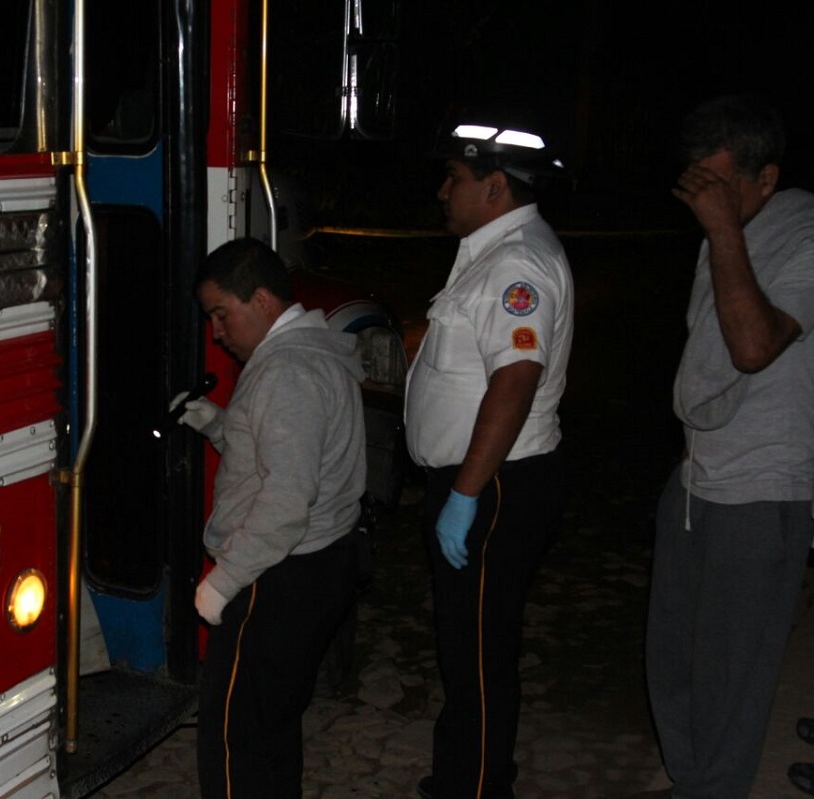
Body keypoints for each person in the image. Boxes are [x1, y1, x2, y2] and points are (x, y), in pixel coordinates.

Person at [639, 94, 814, 799]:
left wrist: (722, 232)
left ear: (764, 179)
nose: (702, 201)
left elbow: (752, 346)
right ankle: (693, 782)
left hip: (763, 489)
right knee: (672, 664)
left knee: (729, 681)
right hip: (696, 479)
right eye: (695, 185)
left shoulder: (800, 235)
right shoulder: (737, 222)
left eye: (718, 186)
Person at [404, 109, 574, 799]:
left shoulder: (517, 264)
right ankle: (462, 774)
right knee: (467, 646)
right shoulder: (489, 251)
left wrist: (466, 495)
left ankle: (475, 788)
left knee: (476, 655)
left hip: (495, 481)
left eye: (455, 178)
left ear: (495, 187)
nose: (444, 191)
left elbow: (515, 378)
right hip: (479, 478)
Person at [174, 237, 368, 798]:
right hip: (320, 564)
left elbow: (285, 501)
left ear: (260, 301)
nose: (216, 331)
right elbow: (278, 448)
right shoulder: (313, 351)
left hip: (278, 577)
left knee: (234, 737)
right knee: (273, 725)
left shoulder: (287, 371)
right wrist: (218, 423)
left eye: (220, 314)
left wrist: (222, 583)